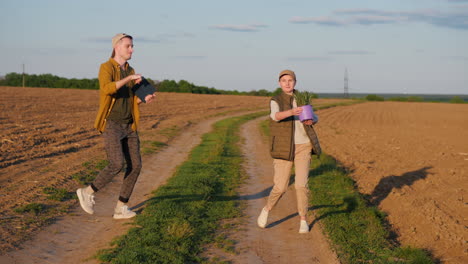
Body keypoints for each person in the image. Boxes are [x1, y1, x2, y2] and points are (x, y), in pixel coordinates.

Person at [76, 33, 155, 219]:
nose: (132, 49)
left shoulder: (131, 69)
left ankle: (121, 208)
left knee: (135, 166)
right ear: (117, 47)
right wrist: (128, 79)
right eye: (128, 46)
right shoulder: (106, 67)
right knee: (116, 163)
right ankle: (87, 192)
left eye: (132, 46)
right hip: (112, 124)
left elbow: (130, 101)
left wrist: (144, 99)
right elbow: (107, 89)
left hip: (129, 125)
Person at [257, 69, 321, 233]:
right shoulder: (276, 100)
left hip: (303, 146)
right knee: (281, 187)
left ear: (295, 82)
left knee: (301, 185)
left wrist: (311, 119)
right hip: (283, 147)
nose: (287, 83)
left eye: (290, 80)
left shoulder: (302, 98)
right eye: (284, 80)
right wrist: (292, 112)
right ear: (279, 83)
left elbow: (315, 117)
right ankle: (267, 209)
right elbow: (275, 116)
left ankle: (303, 220)